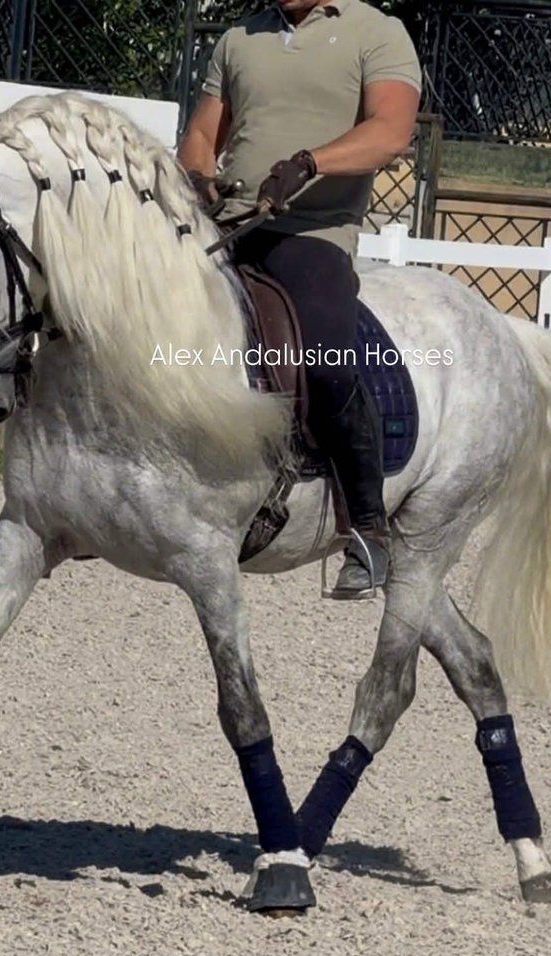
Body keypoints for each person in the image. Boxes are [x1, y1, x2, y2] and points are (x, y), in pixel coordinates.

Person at [177, 0, 421, 597]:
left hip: (312, 233)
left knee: (327, 360)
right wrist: (201, 178)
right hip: (226, 224)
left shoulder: (377, 32)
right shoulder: (239, 36)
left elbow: (389, 132)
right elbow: (203, 137)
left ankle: (367, 527)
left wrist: (311, 164)